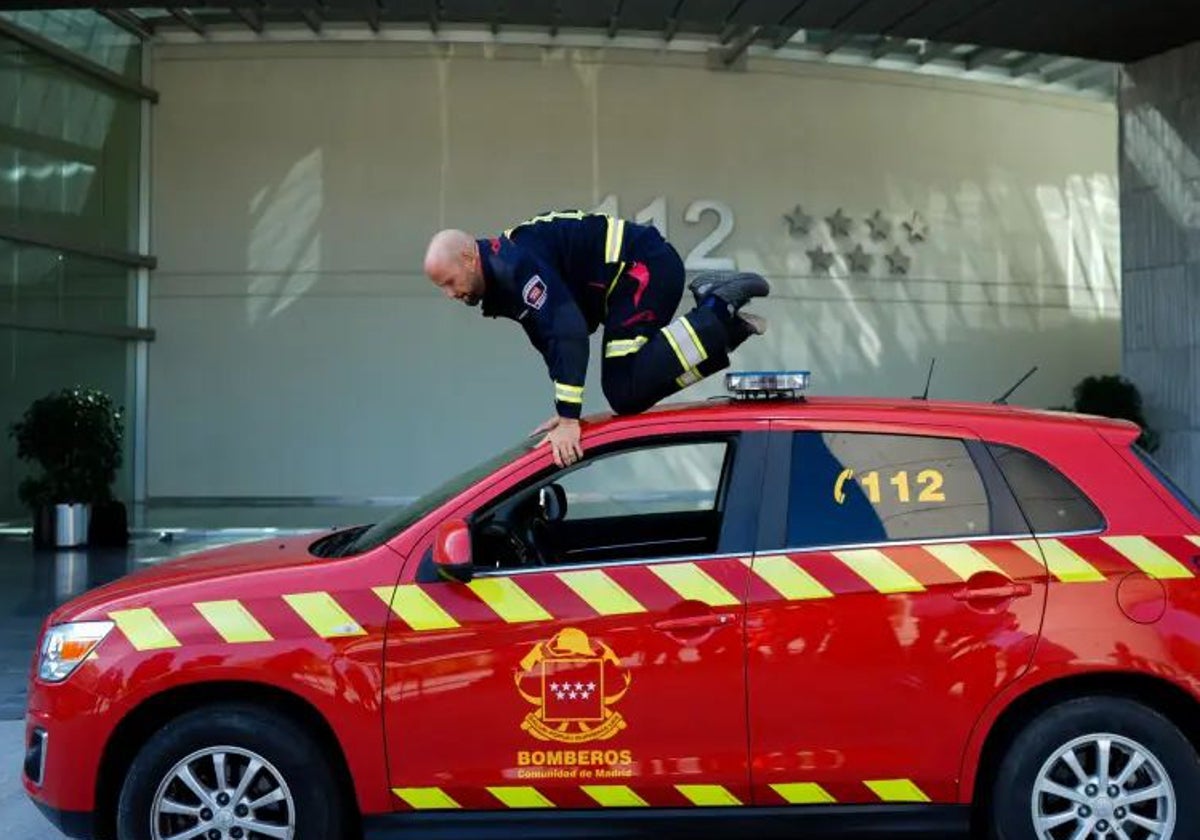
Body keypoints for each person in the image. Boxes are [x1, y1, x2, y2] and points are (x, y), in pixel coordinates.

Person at [423, 210, 769, 467]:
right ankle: (726, 330)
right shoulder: (505, 272)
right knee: (625, 393)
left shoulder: (514, 266)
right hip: (631, 278)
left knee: (624, 387)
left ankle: (717, 304)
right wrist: (564, 412)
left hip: (641, 268)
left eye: (449, 282)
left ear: (469, 258)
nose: (449, 294)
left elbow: (568, 330)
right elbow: (550, 341)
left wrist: (571, 417)